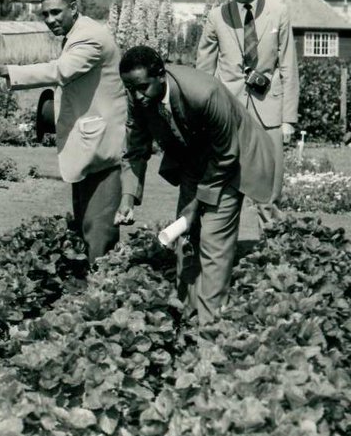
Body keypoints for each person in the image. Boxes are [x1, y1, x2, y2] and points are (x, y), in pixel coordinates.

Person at [115, 45, 281, 320]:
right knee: (186, 237)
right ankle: (187, 315)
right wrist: (127, 198)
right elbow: (134, 149)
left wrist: (196, 206)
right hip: (193, 158)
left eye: (142, 87)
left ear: (160, 75)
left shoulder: (204, 92)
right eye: (129, 89)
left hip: (232, 162)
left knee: (213, 238)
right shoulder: (137, 96)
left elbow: (227, 154)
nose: (136, 96)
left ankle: (209, 327)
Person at [0, 0, 126, 262]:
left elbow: (61, 70)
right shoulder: (78, 33)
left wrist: (7, 70)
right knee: (86, 224)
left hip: (102, 147)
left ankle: (104, 291)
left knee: (99, 231)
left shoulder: (90, 37)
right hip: (89, 144)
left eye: (56, 12)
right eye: (45, 15)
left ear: (73, 8)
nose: (50, 20)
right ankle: (92, 288)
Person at [196, 0, 297, 229]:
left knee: (270, 186)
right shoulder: (217, 17)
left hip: (270, 111)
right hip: (229, 110)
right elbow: (203, 70)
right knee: (227, 182)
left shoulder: (279, 13)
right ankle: (225, 247)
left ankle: (275, 249)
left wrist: (288, 119)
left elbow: (289, 66)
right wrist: (203, 113)